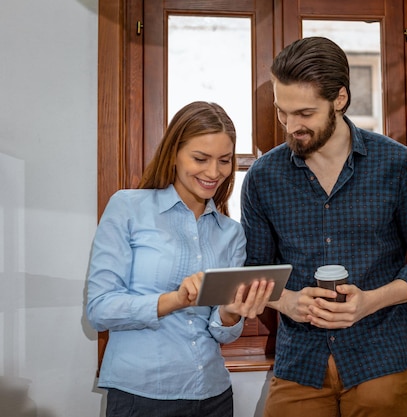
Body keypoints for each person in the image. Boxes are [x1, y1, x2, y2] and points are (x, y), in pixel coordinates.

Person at [240, 37, 407, 417]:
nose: (291, 127)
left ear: (339, 99)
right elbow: (255, 272)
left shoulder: (398, 164)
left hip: (380, 357)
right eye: (282, 112)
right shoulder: (262, 176)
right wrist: (287, 301)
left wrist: (370, 301)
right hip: (299, 364)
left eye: (304, 113)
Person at [87, 101, 274, 417]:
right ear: (173, 153)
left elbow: (222, 331)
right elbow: (100, 309)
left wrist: (230, 313)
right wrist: (176, 299)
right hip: (140, 396)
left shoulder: (231, 233)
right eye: (200, 158)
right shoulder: (128, 208)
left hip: (213, 396)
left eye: (224, 161)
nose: (214, 172)